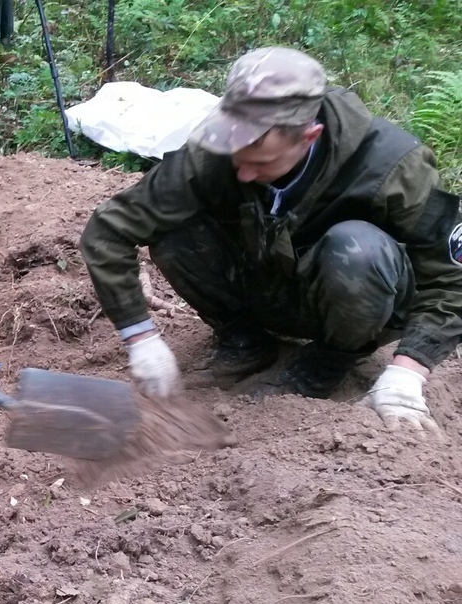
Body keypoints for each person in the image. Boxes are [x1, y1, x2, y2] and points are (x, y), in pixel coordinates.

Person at [80, 47, 462, 433]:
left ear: (309, 136)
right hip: (265, 284)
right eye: (236, 158)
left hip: (357, 304)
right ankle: (244, 341)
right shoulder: (216, 149)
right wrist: (140, 336)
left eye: (260, 163)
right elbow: (111, 229)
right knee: (171, 225)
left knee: (357, 248)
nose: (243, 174)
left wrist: (408, 371)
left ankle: (329, 362)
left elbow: (451, 278)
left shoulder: (391, 165)